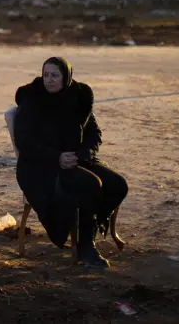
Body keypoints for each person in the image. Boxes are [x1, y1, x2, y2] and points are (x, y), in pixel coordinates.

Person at [13, 56, 128, 268]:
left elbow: (94, 133)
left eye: (55, 75)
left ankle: (88, 228)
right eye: (46, 75)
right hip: (40, 166)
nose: (49, 80)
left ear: (66, 77)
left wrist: (82, 155)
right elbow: (24, 141)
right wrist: (57, 157)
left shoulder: (79, 97)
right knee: (92, 184)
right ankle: (86, 247)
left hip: (75, 159)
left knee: (118, 184)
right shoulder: (33, 98)